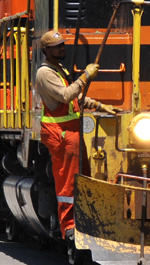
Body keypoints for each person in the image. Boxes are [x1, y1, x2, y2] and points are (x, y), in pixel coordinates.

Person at [34, 30, 116, 243]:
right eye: (57, 46)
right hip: (61, 134)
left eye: (63, 44)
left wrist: (98, 105)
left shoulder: (57, 69)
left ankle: (88, 220)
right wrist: (85, 76)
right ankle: (69, 227)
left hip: (71, 132)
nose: (62, 48)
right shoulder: (45, 73)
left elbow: (75, 98)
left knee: (83, 179)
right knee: (68, 183)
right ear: (46, 50)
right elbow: (65, 95)